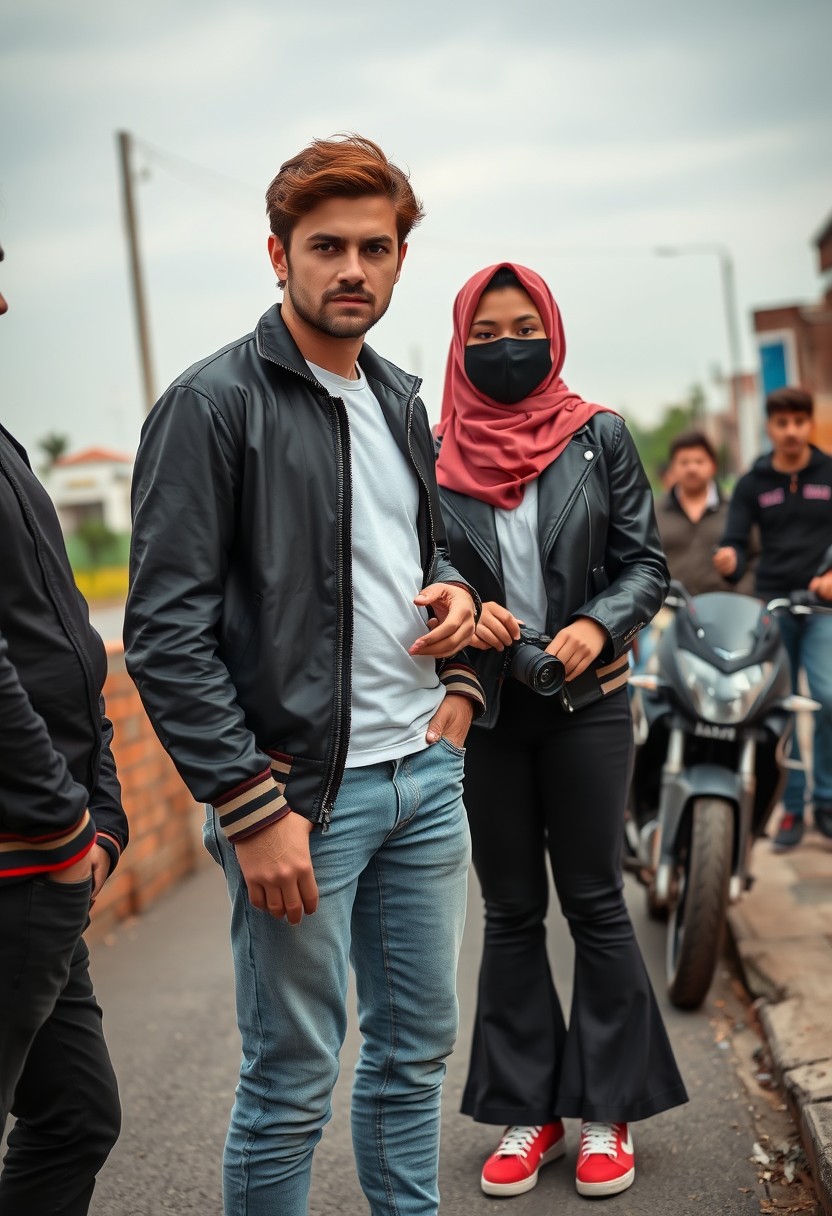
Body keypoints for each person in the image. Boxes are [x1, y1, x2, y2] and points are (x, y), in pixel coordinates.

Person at [124, 135, 484, 1216]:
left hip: (422, 779)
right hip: (299, 799)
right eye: (326, 246)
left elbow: (420, 554)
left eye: (376, 247)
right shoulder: (211, 405)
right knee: (290, 1080)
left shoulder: (398, 400)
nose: (352, 270)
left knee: (414, 1056)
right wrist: (248, 802)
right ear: (276, 254)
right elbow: (164, 633)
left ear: (400, 259)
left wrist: (456, 614)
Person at [434, 263, 687, 1201]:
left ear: (553, 331)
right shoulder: (434, 452)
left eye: (523, 327)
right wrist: (463, 602)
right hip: (490, 707)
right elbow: (421, 563)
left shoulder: (600, 437)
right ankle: (527, 1110)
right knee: (508, 911)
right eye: (487, 333)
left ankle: (606, 1110)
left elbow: (645, 564)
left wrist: (596, 624)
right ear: (461, 344)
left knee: (593, 899)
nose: (508, 347)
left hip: (591, 702)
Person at [0, 241, 128, 1215]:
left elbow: (66, 646)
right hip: (21, 855)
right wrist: (58, 821)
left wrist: (105, 810)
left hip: (48, 849)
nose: (5, 299)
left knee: (76, 1115)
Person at [714, 387, 832, 850]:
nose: (791, 431)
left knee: (826, 698)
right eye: (781, 423)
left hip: (823, 607)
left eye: (799, 422)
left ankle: (826, 801)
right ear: (769, 425)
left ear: (809, 423)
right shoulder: (752, 482)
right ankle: (792, 806)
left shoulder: (829, 472)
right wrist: (730, 558)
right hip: (773, 605)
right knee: (779, 708)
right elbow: (736, 544)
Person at [654, 430, 757, 596]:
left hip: (725, 607)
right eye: (684, 462)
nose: (692, 468)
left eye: (699, 461)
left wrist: (743, 593)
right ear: (672, 468)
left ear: (713, 465)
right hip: (667, 609)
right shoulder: (654, 512)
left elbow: (756, 557)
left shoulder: (735, 508)